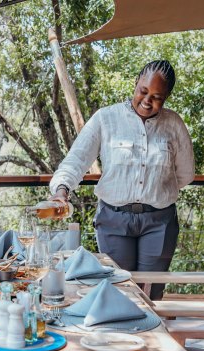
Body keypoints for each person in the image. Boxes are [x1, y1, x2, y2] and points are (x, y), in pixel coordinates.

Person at [49, 60, 194, 300]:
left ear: (167, 97)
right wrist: (62, 190)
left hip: (159, 223)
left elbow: (185, 174)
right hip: (113, 221)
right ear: (136, 83)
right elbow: (76, 160)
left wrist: (155, 188)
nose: (147, 101)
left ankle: (150, 337)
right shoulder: (106, 118)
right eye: (143, 91)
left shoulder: (174, 125)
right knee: (118, 292)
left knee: (149, 295)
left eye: (157, 97)